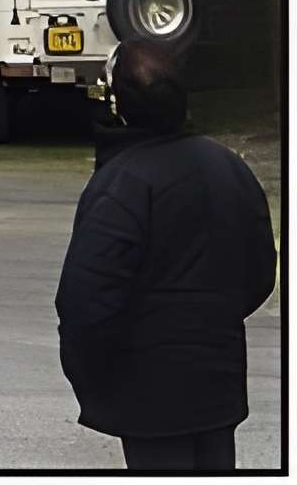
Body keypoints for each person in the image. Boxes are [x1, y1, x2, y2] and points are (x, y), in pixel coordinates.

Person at [56, 38, 276, 474]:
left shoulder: (119, 185)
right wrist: (211, 320)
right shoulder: (229, 166)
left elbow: (84, 303)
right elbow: (260, 273)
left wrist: (96, 373)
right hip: (218, 384)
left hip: (148, 395)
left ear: (119, 106)